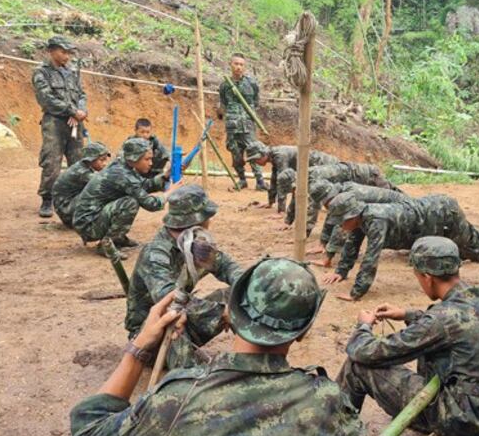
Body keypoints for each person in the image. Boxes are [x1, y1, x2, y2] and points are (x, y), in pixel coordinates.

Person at [70, 258, 366, 436]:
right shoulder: (327, 398)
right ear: (302, 331)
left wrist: (138, 349)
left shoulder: (179, 397)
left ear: (229, 312)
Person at [337, 237, 479, 436]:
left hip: (461, 421)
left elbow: (365, 351)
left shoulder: (441, 320)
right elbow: (456, 325)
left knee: (356, 366)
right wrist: (407, 315)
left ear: (427, 277)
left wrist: (363, 326)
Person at [125, 184, 244, 365]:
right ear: (200, 220)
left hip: (183, 315)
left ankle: (250, 357)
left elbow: (227, 267)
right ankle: (186, 379)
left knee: (237, 294)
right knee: (173, 320)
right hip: (152, 335)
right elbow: (169, 301)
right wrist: (220, 313)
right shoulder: (156, 254)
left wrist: (248, 287)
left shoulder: (194, 242)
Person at [324, 192, 479, 301]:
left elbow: (371, 258)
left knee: (475, 248)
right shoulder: (361, 219)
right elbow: (352, 242)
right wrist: (341, 271)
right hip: (432, 216)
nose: (340, 226)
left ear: (352, 215)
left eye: (341, 221)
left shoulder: (376, 220)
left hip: (442, 216)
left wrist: (356, 292)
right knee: (477, 246)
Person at [73, 138, 180, 257]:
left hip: (90, 218)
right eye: (147, 159)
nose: (151, 163)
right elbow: (151, 204)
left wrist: (165, 176)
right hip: (87, 225)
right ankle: (107, 245)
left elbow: (142, 185)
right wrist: (169, 192)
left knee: (130, 199)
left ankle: (117, 238)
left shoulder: (123, 166)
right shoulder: (122, 174)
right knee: (130, 203)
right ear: (134, 158)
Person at [33, 35, 87, 218]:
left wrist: (81, 111)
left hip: (75, 123)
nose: (67, 56)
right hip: (55, 122)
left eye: (69, 53)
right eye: (63, 52)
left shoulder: (72, 72)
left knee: (78, 162)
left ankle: (75, 198)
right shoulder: (42, 72)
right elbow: (46, 99)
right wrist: (71, 111)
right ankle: (47, 199)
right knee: (52, 162)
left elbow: (81, 94)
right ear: (51, 51)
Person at [309, 180, 412, 267]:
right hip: (396, 207)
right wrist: (323, 243)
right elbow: (333, 218)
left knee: (383, 234)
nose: (326, 207)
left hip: (404, 210)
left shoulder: (350, 197)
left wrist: (327, 258)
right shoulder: (341, 194)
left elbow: (340, 228)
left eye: (326, 204)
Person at [217, 53, 266, 191]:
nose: (238, 67)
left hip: (248, 123)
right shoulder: (225, 85)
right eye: (236, 64)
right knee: (235, 153)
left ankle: (260, 181)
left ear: (244, 67)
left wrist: (247, 114)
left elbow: (256, 101)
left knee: (254, 151)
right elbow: (223, 103)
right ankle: (242, 180)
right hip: (232, 125)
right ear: (230, 64)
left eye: (241, 64)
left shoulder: (251, 83)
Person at [245, 141, 339, 210]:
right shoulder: (274, 156)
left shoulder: (280, 156)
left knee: (328, 193)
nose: (255, 162)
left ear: (262, 154)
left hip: (326, 165)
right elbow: (274, 179)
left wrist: (281, 211)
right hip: (319, 167)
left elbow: (282, 181)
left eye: (255, 159)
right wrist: (270, 202)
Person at [51, 141, 110, 228]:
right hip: (67, 212)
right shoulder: (82, 172)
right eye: (102, 160)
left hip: (68, 208)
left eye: (106, 160)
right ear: (90, 159)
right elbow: (106, 184)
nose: (105, 164)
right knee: (100, 190)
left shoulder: (84, 167)